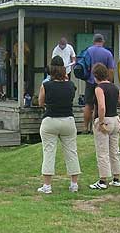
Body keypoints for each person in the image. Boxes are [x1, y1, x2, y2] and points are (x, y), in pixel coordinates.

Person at [37, 56, 81, 194]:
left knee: (49, 152)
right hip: (68, 119)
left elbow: (40, 102)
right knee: (71, 152)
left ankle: (47, 186)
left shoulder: (46, 85)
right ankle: (74, 184)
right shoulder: (71, 85)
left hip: (50, 119)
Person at [89, 63, 120, 190]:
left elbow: (101, 106)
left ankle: (103, 180)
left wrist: (101, 122)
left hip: (105, 120)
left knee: (102, 151)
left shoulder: (99, 88)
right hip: (115, 120)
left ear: (96, 75)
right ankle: (116, 178)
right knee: (114, 151)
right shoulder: (114, 87)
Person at [83, 34, 115, 134]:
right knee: (99, 104)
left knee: (88, 104)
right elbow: (111, 70)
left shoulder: (88, 50)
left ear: (94, 41)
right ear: (103, 41)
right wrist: (109, 82)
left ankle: (85, 128)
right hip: (102, 83)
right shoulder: (108, 53)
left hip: (90, 80)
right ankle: (95, 127)